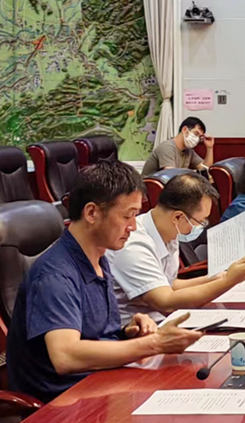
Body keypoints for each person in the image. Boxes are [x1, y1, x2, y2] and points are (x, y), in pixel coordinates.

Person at [7, 161, 203, 402]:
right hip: (63, 403)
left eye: (135, 215)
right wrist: (155, 343)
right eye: (127, 216)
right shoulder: (55, 275)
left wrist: (127, 332)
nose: (133, 227)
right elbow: (65, 355)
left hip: (102, 381)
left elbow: (92, 335)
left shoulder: (99, 258)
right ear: (92, 213)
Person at [108, 173, 245, 324]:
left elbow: (170, 284)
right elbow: (165, 301)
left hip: (162, 320)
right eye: (201, 221)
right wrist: (229, 281)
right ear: (178, 217)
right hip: (138, 330)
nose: (201, 227)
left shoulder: (168, 232)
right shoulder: (133, 245)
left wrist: (213, 279)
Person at [142, 117, 215, 176]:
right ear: (184, 130)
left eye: (199, 137)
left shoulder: (188, 151)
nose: (197, 139)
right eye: (196, 134)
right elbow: (170, 175)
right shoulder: (167, 147)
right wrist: (193, 173)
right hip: (151, 187)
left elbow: (205, 168)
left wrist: (209, 148)